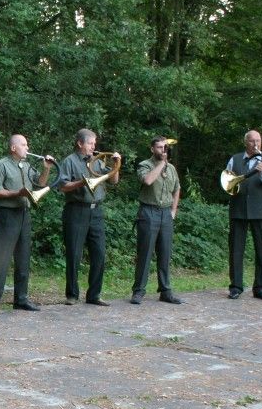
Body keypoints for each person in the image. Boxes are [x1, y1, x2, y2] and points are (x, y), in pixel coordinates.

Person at [0, 134, 52, 315]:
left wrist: (46, 169)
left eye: (27, 145)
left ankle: (21, 299)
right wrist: (17, 193)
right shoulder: (1, 165)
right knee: (1, 259)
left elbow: (40, 183)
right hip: (7, 215)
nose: (27, 148)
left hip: (24, 215)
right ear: (13, 148)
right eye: (24, 145)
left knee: (23, 258)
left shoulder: (27, 165)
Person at [58, 129, 120, 306]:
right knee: (74, 253)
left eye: (94, 143)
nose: (94, 146)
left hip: (96, 212)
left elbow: (113, 181)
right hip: (76, 210)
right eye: (91, 143)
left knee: (99, 253)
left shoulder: (97, 160)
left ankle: (94, 295)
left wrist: (116, 164)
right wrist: (82, 182)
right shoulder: (69, 161)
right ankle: (72, 295)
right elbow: (62, 186)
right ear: (80, 143)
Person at [225, 130, 262, 300]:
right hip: (238, 209)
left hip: (261, 210)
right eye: (252, 141)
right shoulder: (234, 159)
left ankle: (260, 288)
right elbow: (227, 183)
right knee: (236, 249)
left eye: (258, 140)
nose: (256, 144)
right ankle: (236, 287)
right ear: (245, 143)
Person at [131, 136, 182, 305]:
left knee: (165, 253)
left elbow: (177, 189)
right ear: (152, 149)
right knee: (145, 254)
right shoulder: (145, 165)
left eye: (165, 147)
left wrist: (173, 211)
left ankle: (165, 291)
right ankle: (138, 291)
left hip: (165, 213)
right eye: (159, 147)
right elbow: (147, 180)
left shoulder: (172, 169)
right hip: (148, 212)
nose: (163, 150)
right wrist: (161, 164)